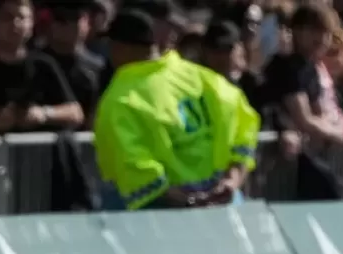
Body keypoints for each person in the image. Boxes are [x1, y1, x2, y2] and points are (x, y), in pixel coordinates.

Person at [93, 8, 261, 210]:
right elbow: (245, 123)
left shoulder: (120, 99)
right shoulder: (200, 77)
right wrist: (232, 179)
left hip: (165, 216)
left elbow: (135, 169)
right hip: (223, 205)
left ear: (119, 47)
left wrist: (189, 201)